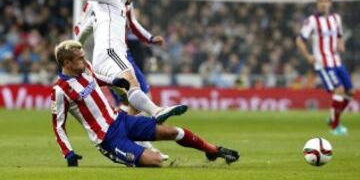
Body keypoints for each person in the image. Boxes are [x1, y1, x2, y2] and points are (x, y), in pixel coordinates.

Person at [51, 40, 239, 167]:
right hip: (108, 139)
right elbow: (58, 126)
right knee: (156, 161)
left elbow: (96, 78)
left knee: (172, 131)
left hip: (121, 120)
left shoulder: (86, 69)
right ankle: (134, 153)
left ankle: (213, 150)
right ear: (67, 63)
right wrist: (69, 153)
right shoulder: (60, 90)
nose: (85, 61)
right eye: (80, 58)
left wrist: (114, 81)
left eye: (84, 57)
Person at [74, 0, 168, 159]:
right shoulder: (96, 1)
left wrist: (149, 38)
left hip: (122, 53)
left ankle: (138, 140)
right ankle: (139, 139)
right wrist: (75, 51)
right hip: (104, 56)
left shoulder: (123, 1)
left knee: (134, 96)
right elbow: (81, 27)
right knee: (132, 94)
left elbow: (132, 24)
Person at [77, 0, 185, 123]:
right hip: (111, 53)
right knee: (133, 83)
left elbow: (87, 28)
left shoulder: (120, 4)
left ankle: (135, 137)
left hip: (109, 55)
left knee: (128, 97)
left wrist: (76, 44)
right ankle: (157, 111)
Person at [296, 0, 354, 135]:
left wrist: (341, 44)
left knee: (350, 92)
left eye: (326, 0)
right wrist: (308, 56)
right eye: (320, 1)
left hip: (336, 61)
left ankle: (332, 118)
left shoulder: (336, 18)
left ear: (330, 3)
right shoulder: (312, 21)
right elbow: (299, 39)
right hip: (323, 63)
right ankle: (335, 127)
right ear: (317, 4)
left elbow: (340, 36)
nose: (323, 3)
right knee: (339, 90)